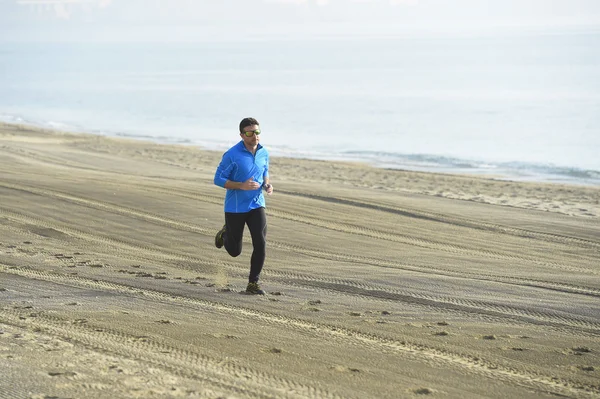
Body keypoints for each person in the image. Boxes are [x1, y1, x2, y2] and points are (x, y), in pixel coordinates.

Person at [213, 117, 273, 295]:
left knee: (260, 243)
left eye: (257, 132)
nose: (255, 136)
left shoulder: (264, 152)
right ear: (241, 134)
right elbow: (218, 179)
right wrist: (241, 185)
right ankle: (225, 234)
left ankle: (253, 284)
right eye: (250, 132)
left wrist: (267, 184)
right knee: (234, 251)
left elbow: (265, 172)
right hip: (236, 207)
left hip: (256, 204)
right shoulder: (232, 154)